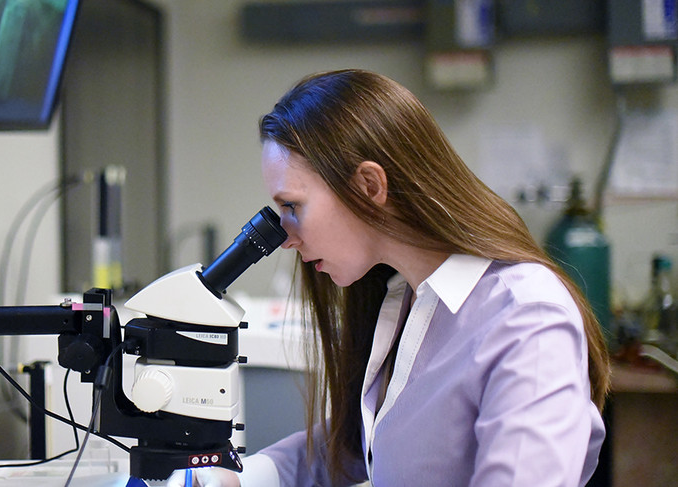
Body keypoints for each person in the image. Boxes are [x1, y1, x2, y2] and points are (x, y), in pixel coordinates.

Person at [170, 69, 610, 487]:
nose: (285, 238)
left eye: (293, 208)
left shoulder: (524, 317)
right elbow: (364, 442)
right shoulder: (404, 297)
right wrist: (241, 477)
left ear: (368, 186)